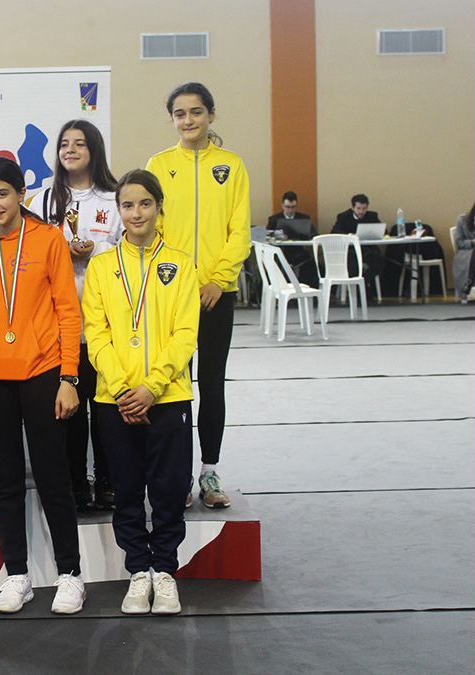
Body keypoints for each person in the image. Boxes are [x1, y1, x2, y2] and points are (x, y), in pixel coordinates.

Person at [0, 157, 86, 615]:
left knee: (54, 477)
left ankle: (70, 574)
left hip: (43, 373)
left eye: (2, 194)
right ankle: (17, 575)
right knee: (5, 481)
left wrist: (69, 377)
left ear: (21, 195)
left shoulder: (49, 239)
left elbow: (68, 312)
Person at [83, 169, 199, 615]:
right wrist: (122, 389)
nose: (136, 213)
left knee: (169, 490)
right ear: (118, 210)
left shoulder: (181, 264)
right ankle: (138, 571)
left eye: (145, 204)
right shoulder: (101, 267)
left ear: (158, 206)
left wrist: (151, 386)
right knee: (127, 491)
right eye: (128, 205)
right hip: (115, 400)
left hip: (168, 397)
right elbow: (96, 334)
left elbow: (186, 333)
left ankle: (164, 571)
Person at [145, 82, 250, 510]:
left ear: (211, 115)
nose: (188, 120)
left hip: (217, 295)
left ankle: (209, 470)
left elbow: (239, 231)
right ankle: (179, 474)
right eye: (180, 114)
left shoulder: (231, 166)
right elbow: (154, 227)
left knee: (211, 382)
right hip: (173, 295)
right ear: (172, 119)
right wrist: (180, 281)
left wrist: (218, 280)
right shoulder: (159, 164)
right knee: (175, 386)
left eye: (196, 112)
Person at [26, 119, 125, 512]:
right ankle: (75, 483)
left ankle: (107, 479)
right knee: (68, 408)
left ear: (94, 149)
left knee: (105, 407)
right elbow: (27, 253)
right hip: (58, 325)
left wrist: (93, 251)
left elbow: (128, 248)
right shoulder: (42, 201)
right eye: (64, 143)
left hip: (107, 322)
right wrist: (59, 252)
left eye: (79, 143)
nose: (70, 150)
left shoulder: (115, 198)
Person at [331, 193, 384, 298]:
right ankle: (359, 291)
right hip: (350, 250)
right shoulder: (343, 217)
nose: (361, 212)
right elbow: (335, 231)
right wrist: (350, 235)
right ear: (352, 207)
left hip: (367, 250)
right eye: (358, 208)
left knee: (379, 261)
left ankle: (363, 283)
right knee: (352, 263)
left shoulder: (372, 216)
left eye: (364, 208)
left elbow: (382, 230)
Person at [265, 190, 318, 287]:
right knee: (271, 262)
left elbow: (314, 234)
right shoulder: (274, 219)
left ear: (297, 206)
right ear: (282, 206)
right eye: (287, 207)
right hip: (280, 252)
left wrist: (305, 235)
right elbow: (268, 235)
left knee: (310, 263)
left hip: (298, 252)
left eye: (293, 207)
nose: (290, 210)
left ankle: (306, 287)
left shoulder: (304, 218)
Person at [453, 203, 475, 303]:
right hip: (468, 252)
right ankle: (469, 281)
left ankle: (470, 281)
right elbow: (459, 243)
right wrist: (472, 242)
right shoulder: (462, 220)